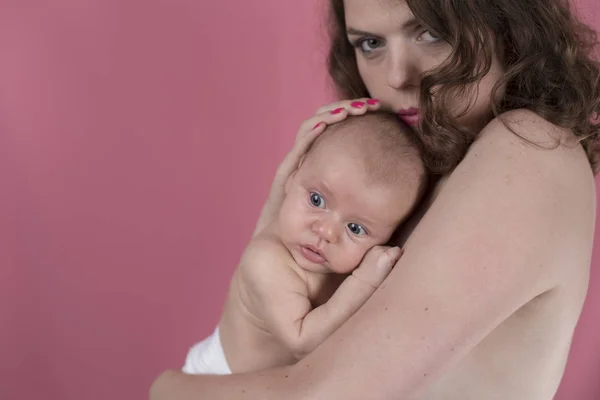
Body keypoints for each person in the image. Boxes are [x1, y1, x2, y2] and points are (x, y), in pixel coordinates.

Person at [151, 0, 600, 398]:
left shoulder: (528, 151)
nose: (397, 75)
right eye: (369, 44)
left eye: (430, 32)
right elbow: (269, 347)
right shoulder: (422, 181)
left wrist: (169, 388)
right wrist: (281, 207)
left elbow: (321, 394)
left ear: (507, 22)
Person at [183, 112, 427, 375]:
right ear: (292, 176)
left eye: (355, 228)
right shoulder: (266, 261)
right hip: (220, 373)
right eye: (316, 200)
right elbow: (301, 341)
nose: (325, 231)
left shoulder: (335, 261)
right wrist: (363, 282)